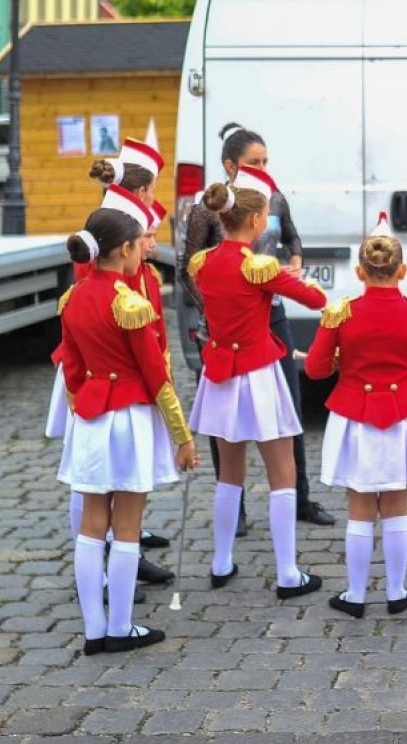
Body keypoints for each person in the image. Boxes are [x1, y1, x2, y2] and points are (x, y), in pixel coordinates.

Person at [56, 192, 199, 655]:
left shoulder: (73, 299)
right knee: (128, 525)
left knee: (92, 524)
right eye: (141, 244)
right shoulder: (131, 304)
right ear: (124, 250)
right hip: (130, 419)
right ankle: (120, 626)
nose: (144, 251)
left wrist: (85, 410)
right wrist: (182, 437)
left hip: (93, 419)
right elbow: (158, 378)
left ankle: (94, 631)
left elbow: (73, 373)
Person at [178, 122, 334, 528]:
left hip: (272, 313)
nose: (262, 167)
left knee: (287, 407)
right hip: (226, 323)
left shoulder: (274, 198)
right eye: (253, 162)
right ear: (230, 165)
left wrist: (295, 263)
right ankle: (238, 507)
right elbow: (187, 268)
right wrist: (212, 309)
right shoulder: (208, 207)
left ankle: (299, 498)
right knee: (224, 417)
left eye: (265, 160)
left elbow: (294, 240)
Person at [46, 139, 174, 592]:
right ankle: (106, 559)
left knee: (105, 475)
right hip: (101, 367)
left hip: (116, 366)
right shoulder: (111, 234)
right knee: (90, 475)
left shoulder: (119, 229)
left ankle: (122, 551)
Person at [306, 219, 407, 619]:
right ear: (402, 271)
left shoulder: (340, 313)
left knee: (360, 508)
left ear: (360, 272)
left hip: (355, 414)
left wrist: (341, 359)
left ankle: (355, 594)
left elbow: (315, 370)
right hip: (402, 412)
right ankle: (397, 591)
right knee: (397, 505)